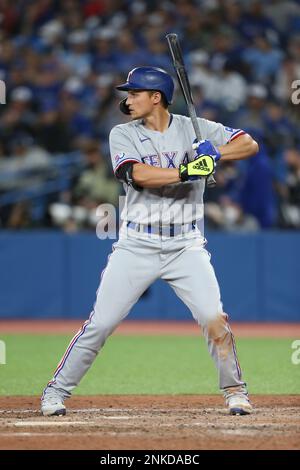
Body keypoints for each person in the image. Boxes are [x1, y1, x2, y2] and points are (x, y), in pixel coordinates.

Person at [41, 66, 258, 417]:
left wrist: (217, 153)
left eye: (134, 93)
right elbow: (137, 175)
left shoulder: (195, 127)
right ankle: (55, 391)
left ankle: (235, 391)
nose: (128, 100)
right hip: (137, 243)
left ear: (155, 97)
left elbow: (249, 143)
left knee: (213, 317)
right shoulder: (122, 134)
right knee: (101, 323)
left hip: (186, 243)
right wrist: (189, 170)